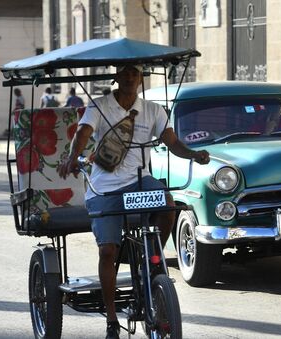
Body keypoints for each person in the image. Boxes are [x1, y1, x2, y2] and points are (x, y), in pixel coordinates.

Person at [57, 64, 210, 339]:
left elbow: (172, 142)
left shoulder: (153, 111)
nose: (129, 77)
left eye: (135, 73)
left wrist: (193, 154)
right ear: (116, 77)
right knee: (108, 252)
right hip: (105, 189)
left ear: (141, 78)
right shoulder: (99, 106)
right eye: (125, 72)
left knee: (168, 203)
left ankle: (153, 261)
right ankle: (112, 319)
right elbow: (82, 134)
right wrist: (72, 157)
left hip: (140, 182)